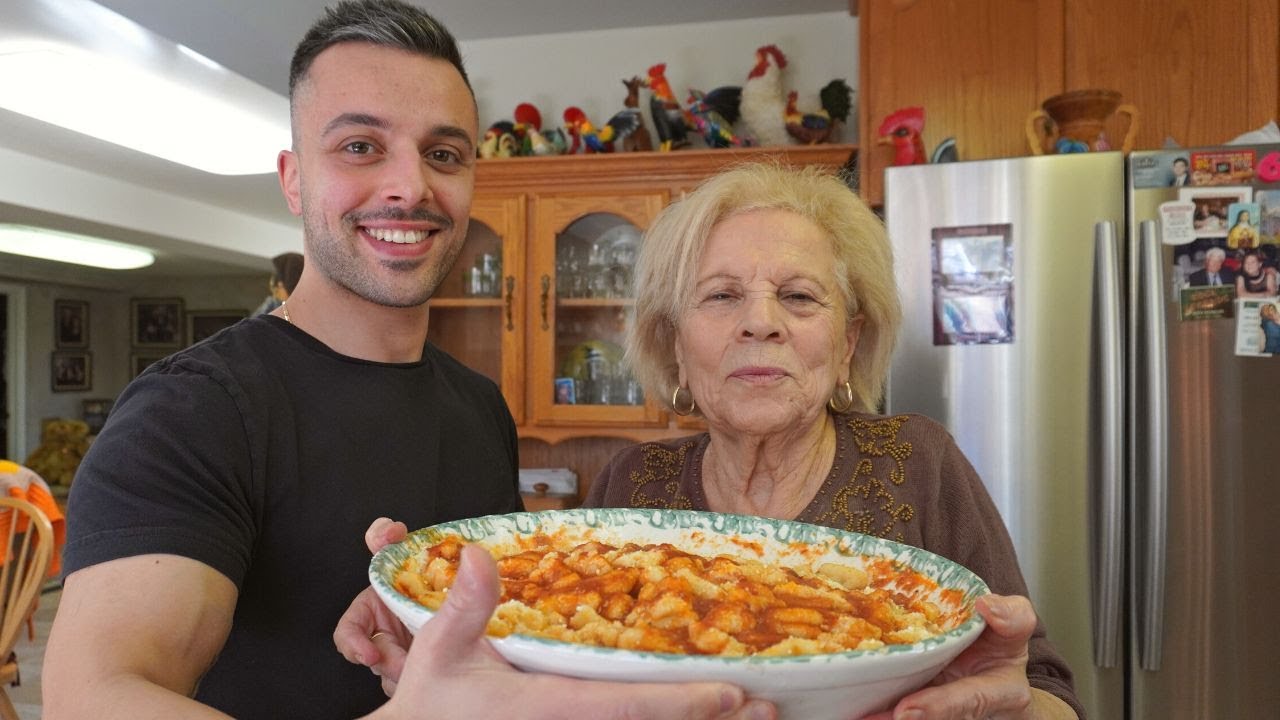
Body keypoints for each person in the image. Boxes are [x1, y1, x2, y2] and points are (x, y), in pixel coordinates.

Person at [42, 3, 771, 720]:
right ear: (294, 178)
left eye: (443, 154)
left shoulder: (478, 404)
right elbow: (93, 697)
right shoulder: (193, 409)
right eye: (360, 146)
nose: (411, 186)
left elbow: (489, 635)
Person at [339, 164, 1084, 719]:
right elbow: (568, 678)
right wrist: (441, 654)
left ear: (850, 339)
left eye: (799, 296)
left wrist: (1002, 706)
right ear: (674, 344)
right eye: (722, 295)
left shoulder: (919, 462)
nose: (761, 322)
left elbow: (1047, 694)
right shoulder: (632, 482)